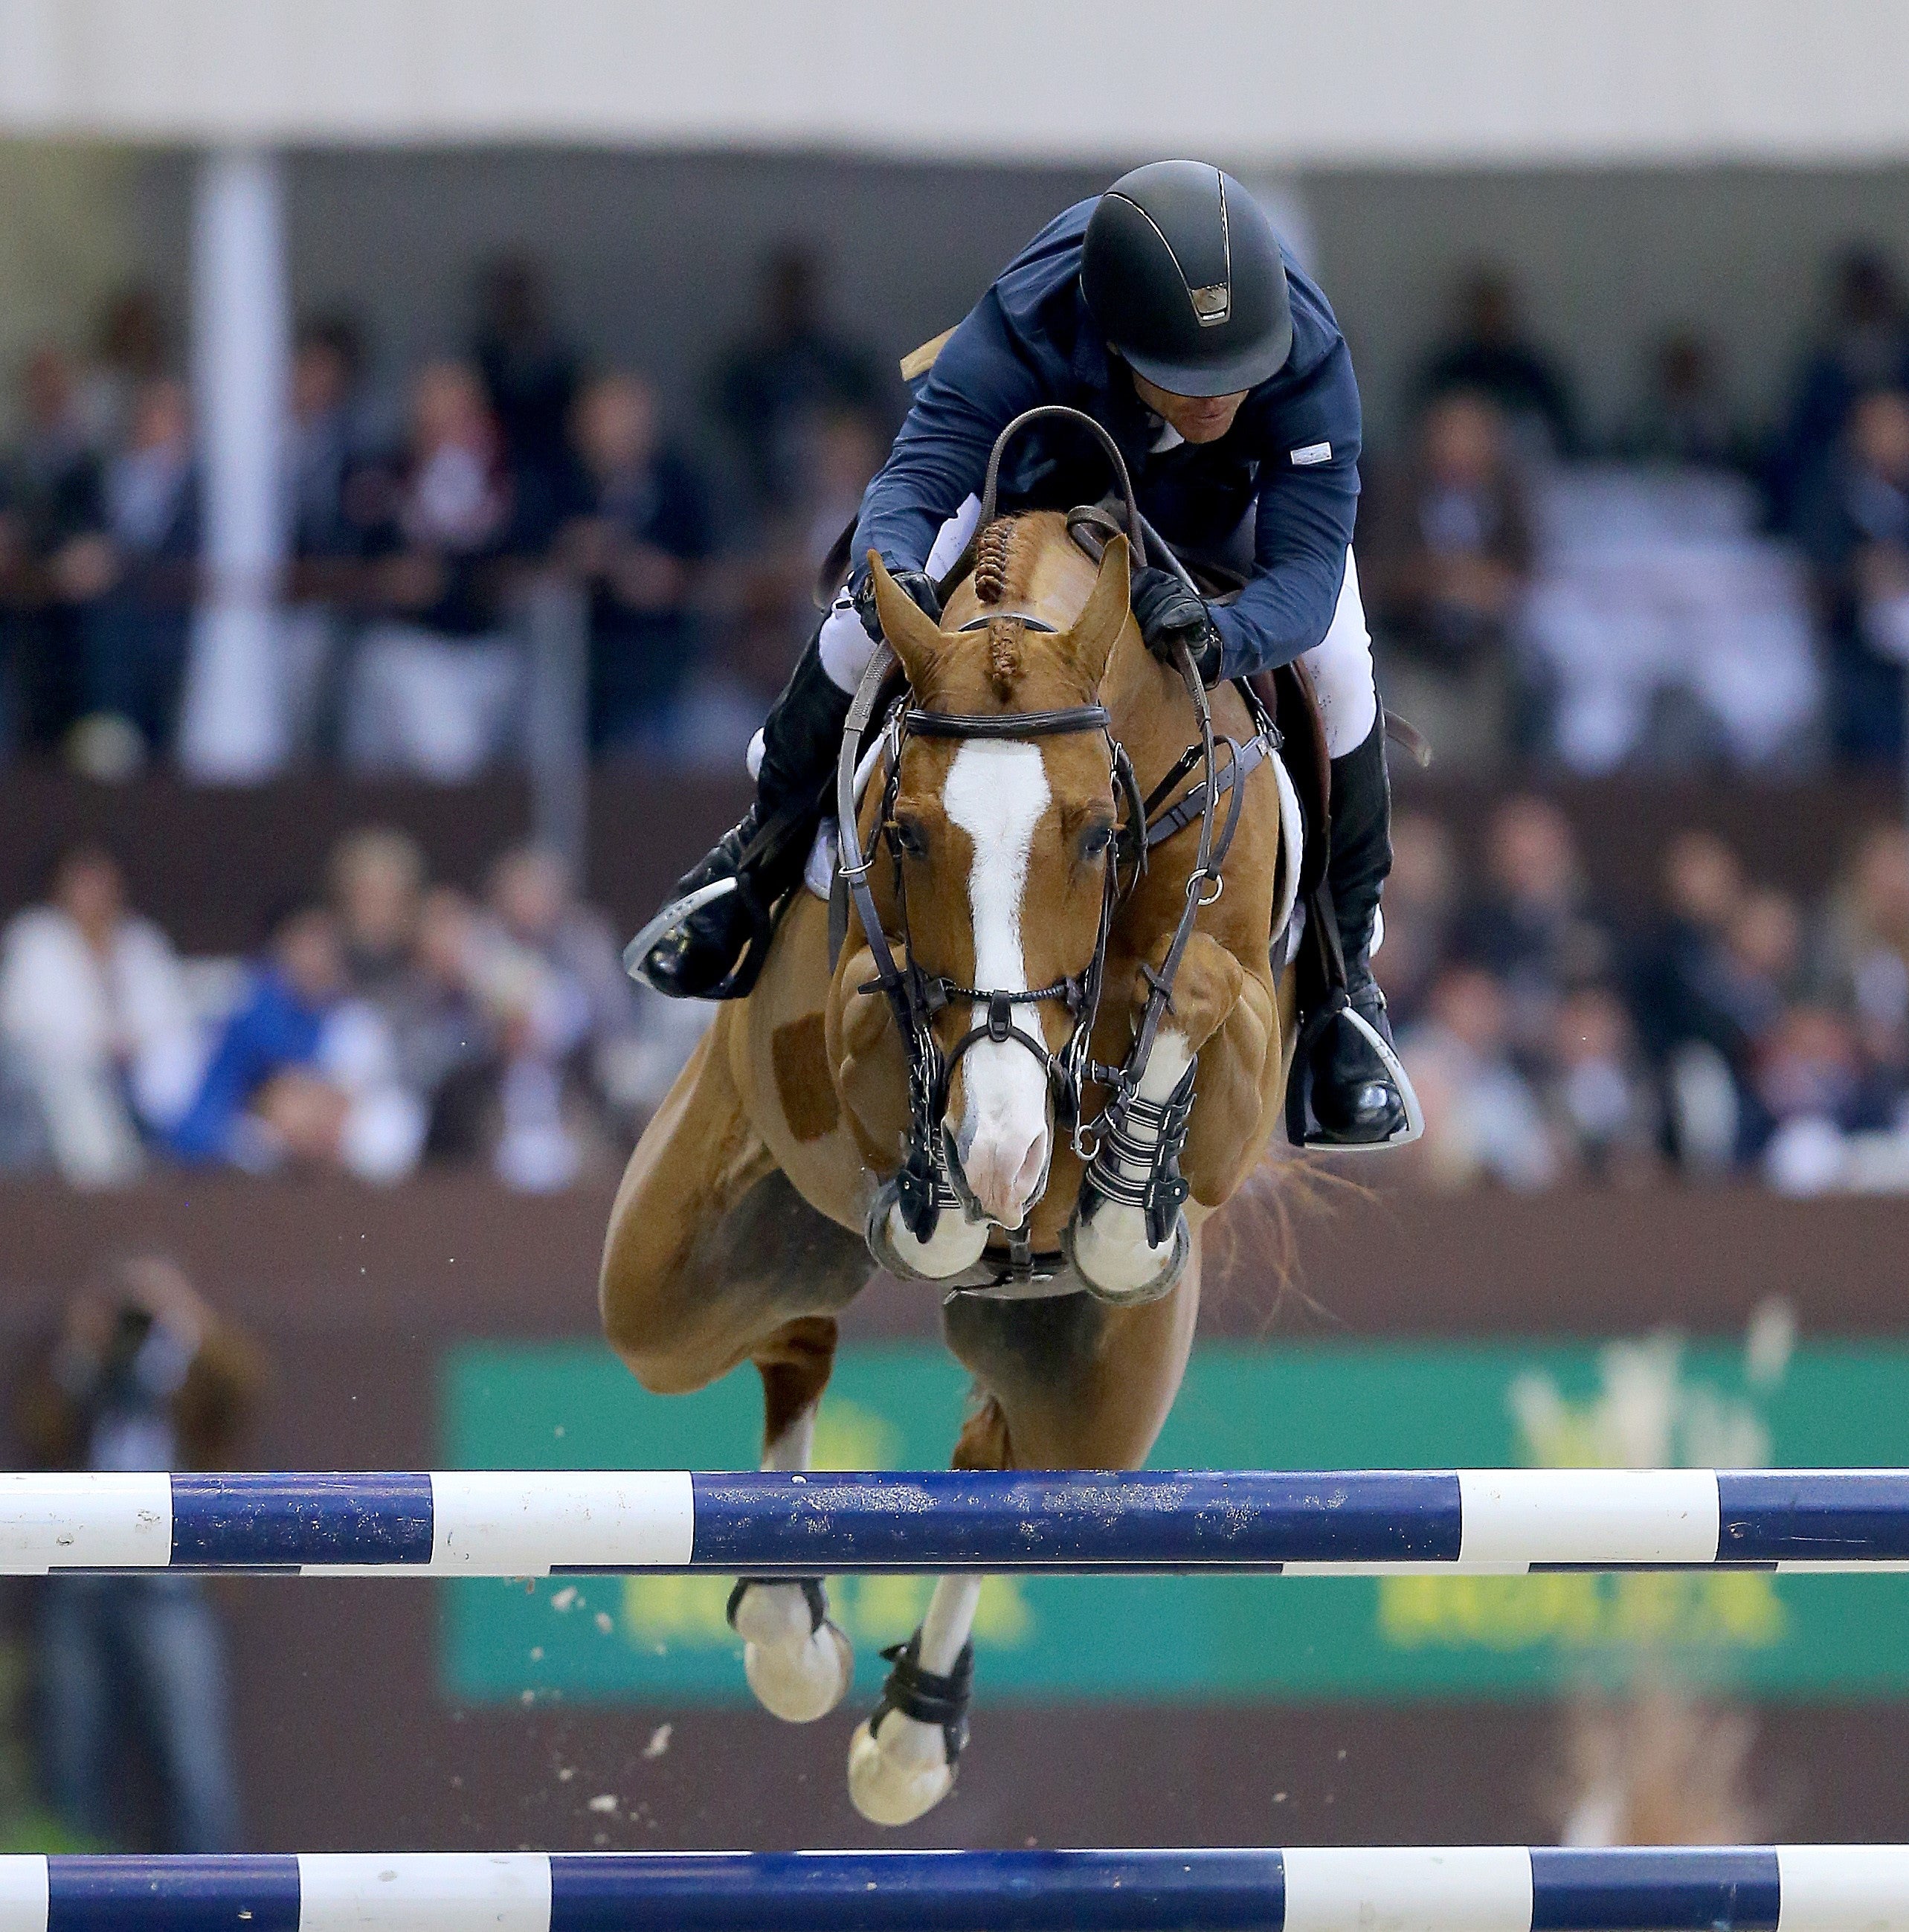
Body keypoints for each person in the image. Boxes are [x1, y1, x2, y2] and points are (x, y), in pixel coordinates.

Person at [639, 161, 1415, 1147]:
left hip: (1229, 518)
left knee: (1343, 668)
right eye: (1188, 374)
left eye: (1236, 369)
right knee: (852, 618)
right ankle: (748, 869)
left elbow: (1304, 573)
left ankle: (1346, 996)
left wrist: (1226, 636)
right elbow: (918, 475)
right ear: (1115, 335)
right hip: (1043, 477)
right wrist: (893, 573)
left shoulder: (1300, 351)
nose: (1219, 395)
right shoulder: (1027, 317)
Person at [17, 1257, 261, 1850]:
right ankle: (72, 1894)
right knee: (69, 1754)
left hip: (170, 1586)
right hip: (82, 1582)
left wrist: (186, 1322)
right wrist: (81, 1344)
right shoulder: (87, 1370)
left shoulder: (191, 1371)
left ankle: (209, 1900)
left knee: (192, 1756)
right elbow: (41, 1432)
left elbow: (240, 1396)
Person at [0, 844, 201, 1185]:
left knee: (179, 1067)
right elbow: (22, 1025)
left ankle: (186, 1165)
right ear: (61, 890)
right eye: (83, 884)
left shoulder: (141, 940)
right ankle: (105, 1186)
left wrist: (132, 1045)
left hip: (136, 1073)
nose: (94, 895)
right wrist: (100, 1044)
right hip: (50, 1075)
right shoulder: (35, 937)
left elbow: (171, 1017)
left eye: (102, 884)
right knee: (71, 1084)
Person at [558, 372, 714, 754]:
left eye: (626, 417)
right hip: (575, 664)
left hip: (666, 661)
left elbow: (716, 574)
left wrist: (659, 577)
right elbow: (522, 568)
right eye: (603, 419)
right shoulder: (559, 485)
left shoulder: (682, 485)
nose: (615, 431)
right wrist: (571, 561)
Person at [1417, 268, 1577, 460]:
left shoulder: (1534, 372)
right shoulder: (1447, 371)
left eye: (1495, 308)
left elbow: (1562, 433)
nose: (1490, 316)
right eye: (1483, 309)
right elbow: (1423, 433)